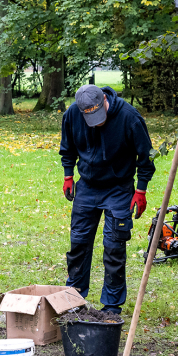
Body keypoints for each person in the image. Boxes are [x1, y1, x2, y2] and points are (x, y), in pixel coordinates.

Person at [60, 84, 154, 312]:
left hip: (118, 188)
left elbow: (146, 155)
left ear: (104, 99)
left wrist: (140, 190)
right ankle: (74, 299)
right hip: (88, 187)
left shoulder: (129, 117)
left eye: (99, 115)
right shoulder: (72, 114)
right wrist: (68, 175)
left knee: (114, 247)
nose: (97, 122)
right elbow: (68, 147)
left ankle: (111, 305)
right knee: (79, 244)